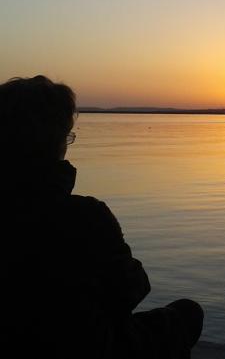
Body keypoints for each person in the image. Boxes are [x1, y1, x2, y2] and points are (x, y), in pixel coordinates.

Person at [0, 75, 203, 359]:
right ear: (55, 142)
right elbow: (131, 290)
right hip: (83, 346)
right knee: (187, 313)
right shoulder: (86, 217)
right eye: (66, 135)